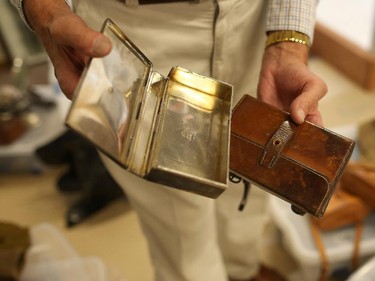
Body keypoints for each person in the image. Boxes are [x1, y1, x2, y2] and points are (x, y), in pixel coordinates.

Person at [11, 0, 327, 280]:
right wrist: (44, 9)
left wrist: (289, 41)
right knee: (183, 237)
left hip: (254, 21)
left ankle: (241, 271)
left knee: (252, 178)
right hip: (137, 31)